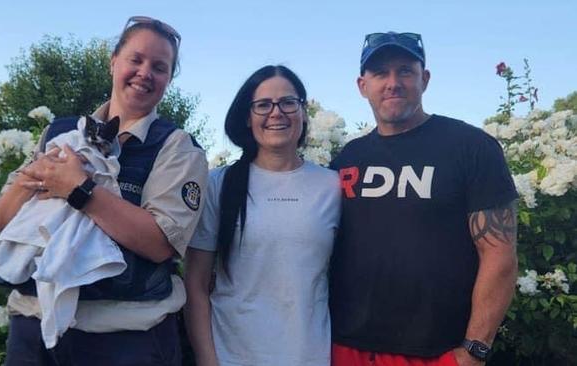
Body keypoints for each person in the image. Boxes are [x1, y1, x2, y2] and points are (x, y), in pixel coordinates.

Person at [0, 16, 208, 366]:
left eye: (159, 67)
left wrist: (77, 188)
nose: (145, 73)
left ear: (168, 79)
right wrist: (28, 179)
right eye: (135, 60)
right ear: (114, 62)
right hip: (33, 330)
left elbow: (160, 243)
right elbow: (7, 222)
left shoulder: (177, 147)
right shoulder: (60, 133)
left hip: (126, 340)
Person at [329, 32, 519, 366]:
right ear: (362, 85)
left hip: (437, 353)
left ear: (425, 79)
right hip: (346, 347)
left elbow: (499, 255)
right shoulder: (347, 158)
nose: (393, 83)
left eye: (405, 70)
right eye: (380, 74)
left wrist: (475, 349)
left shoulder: (471, 148)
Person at [184, 65, 340, 366]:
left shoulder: (332, 186)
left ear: (304, 112)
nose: (276, 112)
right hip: (232, 356)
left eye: (288, 102)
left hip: (310, 356)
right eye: (263, 105)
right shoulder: (218, 184)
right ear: (247, 116)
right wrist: (207, 359)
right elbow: (195, 284)